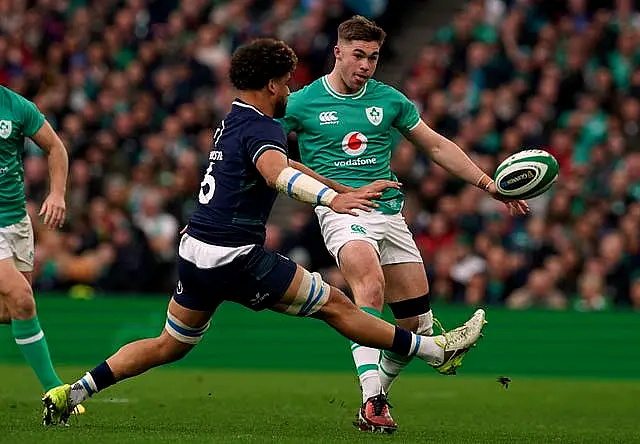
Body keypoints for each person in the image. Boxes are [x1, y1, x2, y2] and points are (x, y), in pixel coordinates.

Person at [42, 38, 486, 427]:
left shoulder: (234, 120)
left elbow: (282, 165)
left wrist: (341, 189)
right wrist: (332, 201)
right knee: (337, 305)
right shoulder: (264, 125)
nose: (290, 90)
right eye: (287, 82)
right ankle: (434, 350)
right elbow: (278, 175)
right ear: (272, 84)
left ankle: (74, 392)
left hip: (195, 251)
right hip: (235, 257)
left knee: (170, 344)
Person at [278, 16, 528, 432]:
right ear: (338, 52)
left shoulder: (389, 100)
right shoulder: (302, 103)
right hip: (344, 213)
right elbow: (270, 154)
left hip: (390, 214)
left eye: (373, 58)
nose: (365, 65)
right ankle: (373, 399)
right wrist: (330, 188)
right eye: (358, 55)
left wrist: (487, 184)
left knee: (412, 323)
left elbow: (435, 144)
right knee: (369, 288)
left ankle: (377, 398)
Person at [0, 86, 85, 413]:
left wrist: (57, 194)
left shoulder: (18, 106)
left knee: (12, 312)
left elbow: (55, 148)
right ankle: (56, 391)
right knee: (22, 299)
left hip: (17, 222)